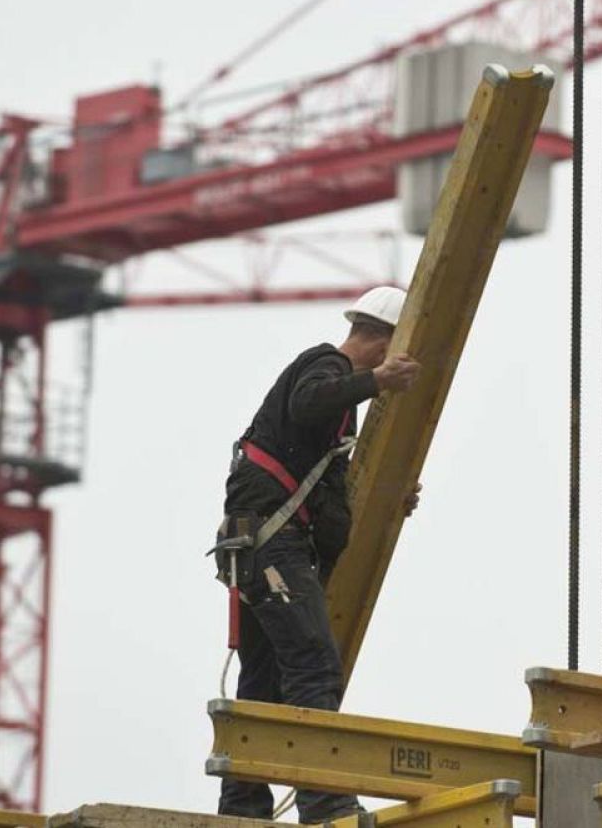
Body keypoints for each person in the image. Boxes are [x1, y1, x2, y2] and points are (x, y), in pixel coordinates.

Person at [216, 286, 422, 823]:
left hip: (259, 547)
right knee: (313, 663)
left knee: (262, 683)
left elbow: (330, 503)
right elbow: (310, 401)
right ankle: (323, 800)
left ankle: (243, 808)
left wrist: (389, 501)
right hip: (271, 544)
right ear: (385, 342)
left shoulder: (336, 416)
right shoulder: (324, 366)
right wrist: (376, 381)